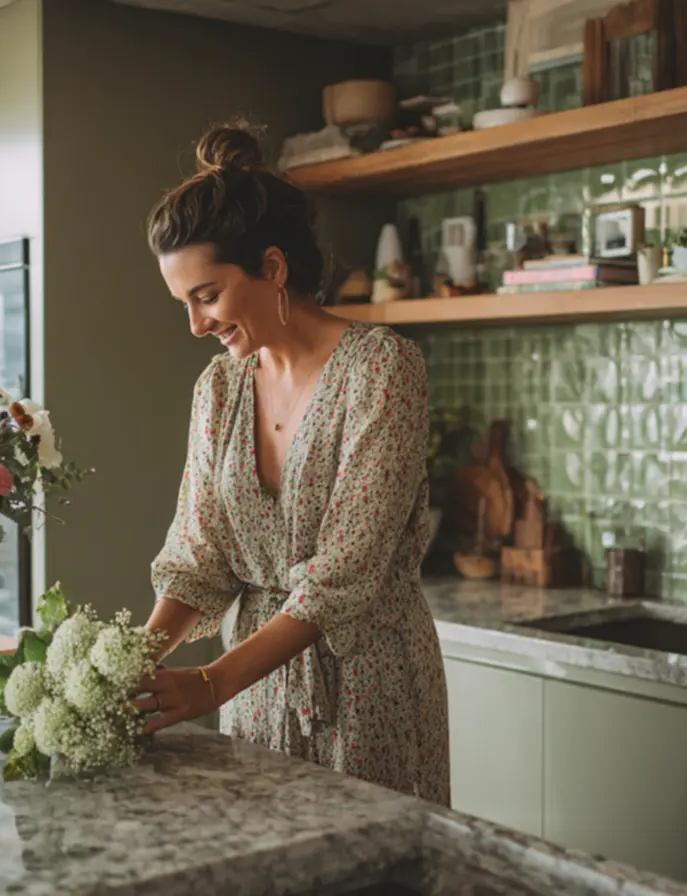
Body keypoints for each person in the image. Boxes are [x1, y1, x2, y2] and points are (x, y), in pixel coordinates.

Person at [134, 121, 449, 805]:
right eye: (183, 303)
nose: (196, 325)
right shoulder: (219, 389)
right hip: (253, 695)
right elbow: (198, 556)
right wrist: (122, 668)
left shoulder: (381, 370)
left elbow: (344, 576)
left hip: (368, 687)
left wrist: (210, 681)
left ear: (273, 267)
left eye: (207, 295)